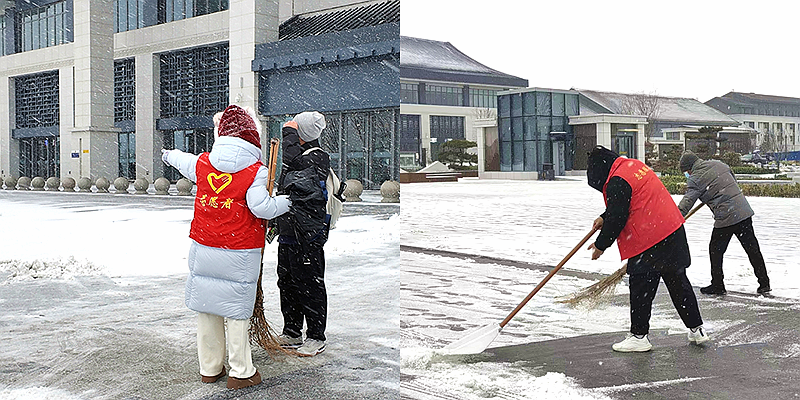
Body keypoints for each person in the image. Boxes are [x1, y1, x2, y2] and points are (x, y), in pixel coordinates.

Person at [162, 104, 291, 389]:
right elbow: (261, 207)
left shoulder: (204, 163)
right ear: (251, 138)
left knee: (207, 309)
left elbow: (183, 160)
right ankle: (241, 371)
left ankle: (209, 368)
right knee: (236, 312)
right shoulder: (256, 171)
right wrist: (285, 203)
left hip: (204, 245)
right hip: (239, 249)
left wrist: (168, 154)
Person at [586, 145, 708, 352]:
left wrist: (600, 245)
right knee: (678, 283)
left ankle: (639, 336)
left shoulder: (616, 181)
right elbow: (627, 201)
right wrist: (603, 217)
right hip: (672, 230)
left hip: (649, 239)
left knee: (641, 288)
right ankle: (697, 330)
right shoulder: (633, 166)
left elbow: (618, 216)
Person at [273, 111, 331, 357]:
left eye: (298, 129)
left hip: (308, 234)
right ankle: (292, 330)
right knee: (287, 282)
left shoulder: (317, 157)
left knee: (310, 284)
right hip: (289, 232)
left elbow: (296, 164)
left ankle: (316, 336)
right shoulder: (298, 156)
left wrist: (289, 133)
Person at [678, 150, 771, 295]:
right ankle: (764, 283)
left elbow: (687, 201)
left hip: (726, 216)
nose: (687, 175)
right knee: (752, 249)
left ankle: (717, 285)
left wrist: (676, 219)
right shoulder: (718, 164)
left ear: (689, 168)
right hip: (743, 211)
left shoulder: (695, 178)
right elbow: (731, 179)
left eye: (686, 172)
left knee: (715, 250)